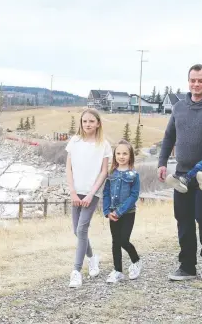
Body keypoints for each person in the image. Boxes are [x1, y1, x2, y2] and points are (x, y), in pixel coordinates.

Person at [158, 64, 202, 281]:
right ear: (189, 82)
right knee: (183, 219)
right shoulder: (179, 107)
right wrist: (162, 162)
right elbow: (169, 137)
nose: (196, 84)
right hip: (181, 175)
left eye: (201, 80)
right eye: (193, 80)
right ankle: (186, 266)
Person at [65, 108, 112, 288]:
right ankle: (92, 257)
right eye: (85, 121)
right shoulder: (74, 141)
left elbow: (104, 171)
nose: (87, 124)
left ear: (98, 123)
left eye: (91, 121)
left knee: (82, 229)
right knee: (77, 231)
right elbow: (68, 168)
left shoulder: (103, 145)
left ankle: (76, 271)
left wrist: (92, 194)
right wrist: (72, 192)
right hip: (76, 192)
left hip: (92, 193)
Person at [102, 139, 142, 283]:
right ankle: (118, 270)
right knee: (115, 242)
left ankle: (136, 261)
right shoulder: (111, 174)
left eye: (125, 153)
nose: (121, 156)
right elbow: (106, 193)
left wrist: (120, 211)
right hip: (112, 214)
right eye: (118, 153)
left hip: (128, 213)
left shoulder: (134, 175)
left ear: (130, 156)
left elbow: (134, 196)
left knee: (124, 240)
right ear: (115, 155)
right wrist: (107, 211)